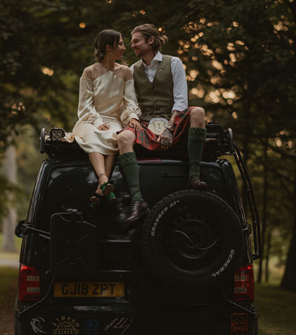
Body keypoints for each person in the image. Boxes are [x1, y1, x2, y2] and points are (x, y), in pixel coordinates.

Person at [117, 23, 208, 227]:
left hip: (172, 120)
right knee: (123, 138)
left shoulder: (173, 62)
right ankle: (138, 200)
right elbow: (130, 101)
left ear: (150, 40)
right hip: (145, 123)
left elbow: (181, 99)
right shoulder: (132, 69)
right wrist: (132, 117)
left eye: (136, 41)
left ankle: (194, 176)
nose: (132, 46)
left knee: (198, 112)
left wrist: (169, 126)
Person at [72, 29, 141, 211]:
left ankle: (99, 189)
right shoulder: (89, 72)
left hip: (114, 120)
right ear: (109, 47)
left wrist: (133, 117)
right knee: (94, 134)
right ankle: (104, 180)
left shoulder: (126, 72)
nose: (124, 48)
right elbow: (85, 104)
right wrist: (96, 122)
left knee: (113, 136)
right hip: (89, 120)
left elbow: (130, 100)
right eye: (120, 44)